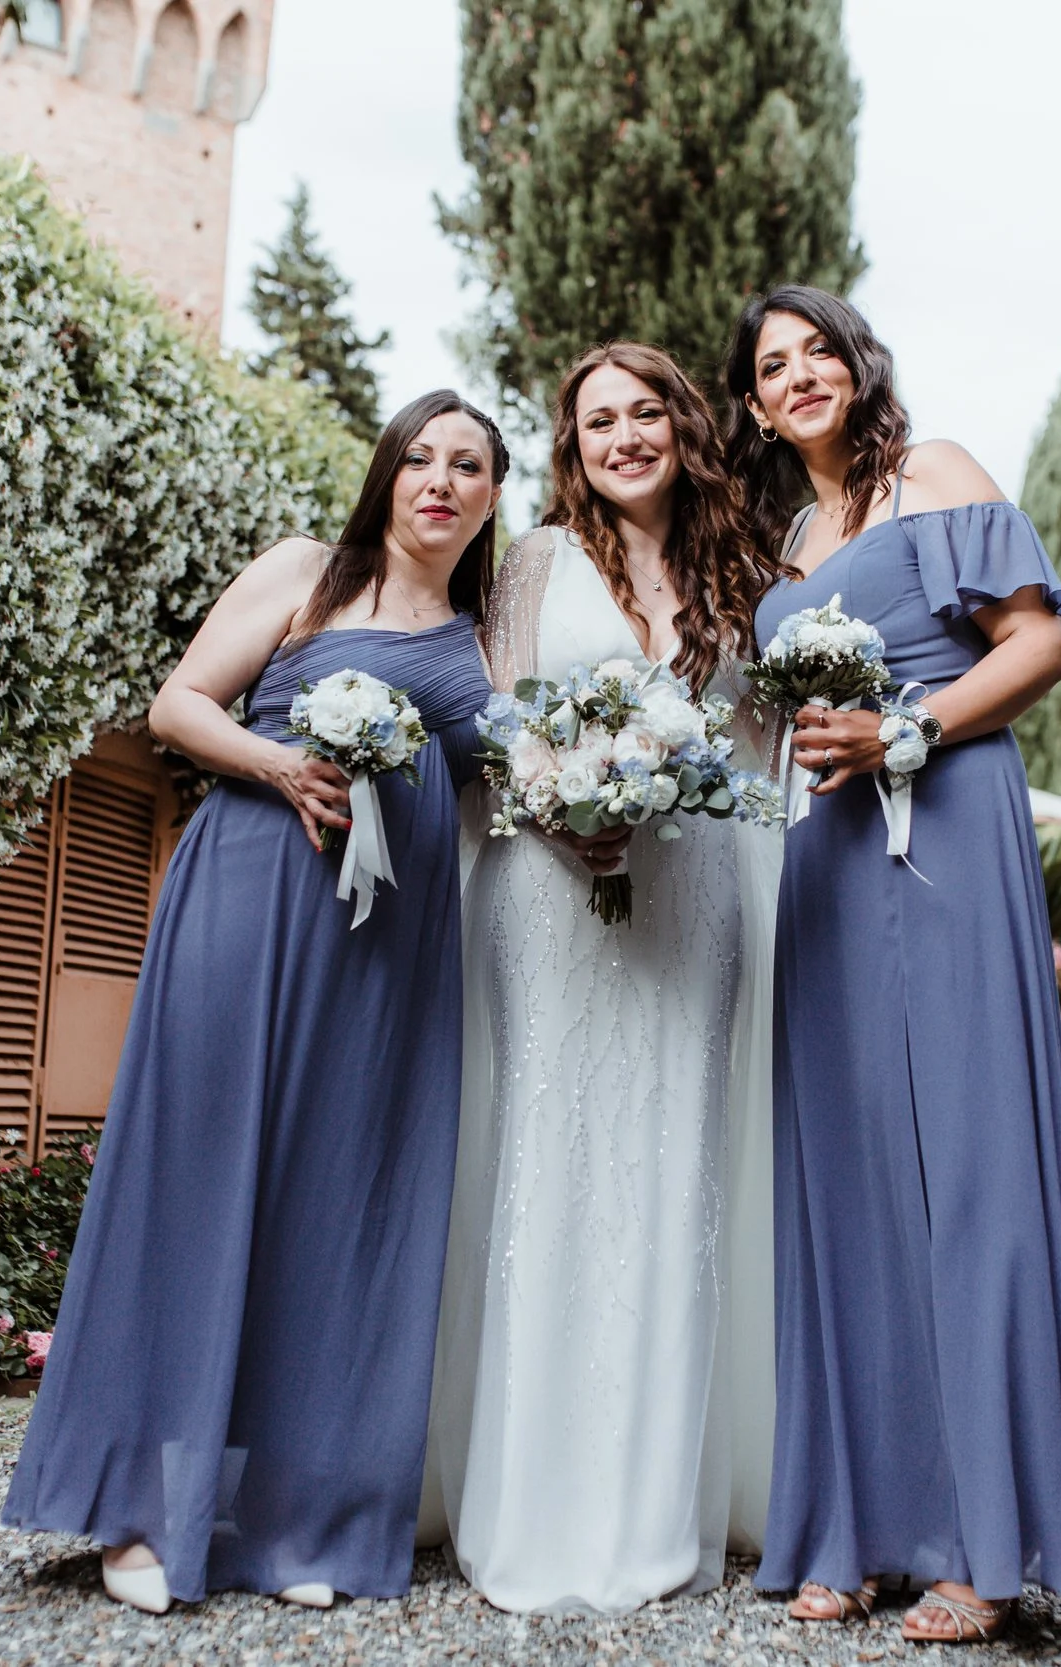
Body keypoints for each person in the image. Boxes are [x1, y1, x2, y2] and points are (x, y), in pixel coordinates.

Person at [2, 391, 508, 1613]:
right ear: (387, 472)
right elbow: (179, 704)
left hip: (385, 951)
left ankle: (300, 1522)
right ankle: (138, 1508)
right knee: (197, 1174)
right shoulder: (304, 572)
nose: (439, 480)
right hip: (248, 894)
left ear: (494, 499)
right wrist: (284, 760)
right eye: (420, 457)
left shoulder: (482, 639)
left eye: (471, 466)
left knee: (340, 1198)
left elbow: (500, 791)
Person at [725, 287, 1061, 1644]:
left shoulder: (938, 472)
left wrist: (908, 733)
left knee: (969, 1176)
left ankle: (982, 1536)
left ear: (859, 363)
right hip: (830, 861)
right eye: (770, 367)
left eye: (815, 353)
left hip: (945, 832)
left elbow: (1040, 640)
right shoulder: (791, 535)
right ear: (753, 402)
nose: (798, 377)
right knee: (848, 1188)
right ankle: (854, 1524)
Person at [425, 342, 783, 1612]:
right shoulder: (531, 563)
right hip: (544, 889)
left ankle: (649, 1508)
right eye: (594, 421)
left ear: (683, 424)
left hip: (697, 890)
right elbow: (495, 721)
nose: (621, 435)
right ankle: (525, 1499)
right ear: (568, 446)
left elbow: (760, 747)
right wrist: (563, 808)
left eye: (644, 412)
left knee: (671, 1169)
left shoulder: (750, 565)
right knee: (544, 1160)